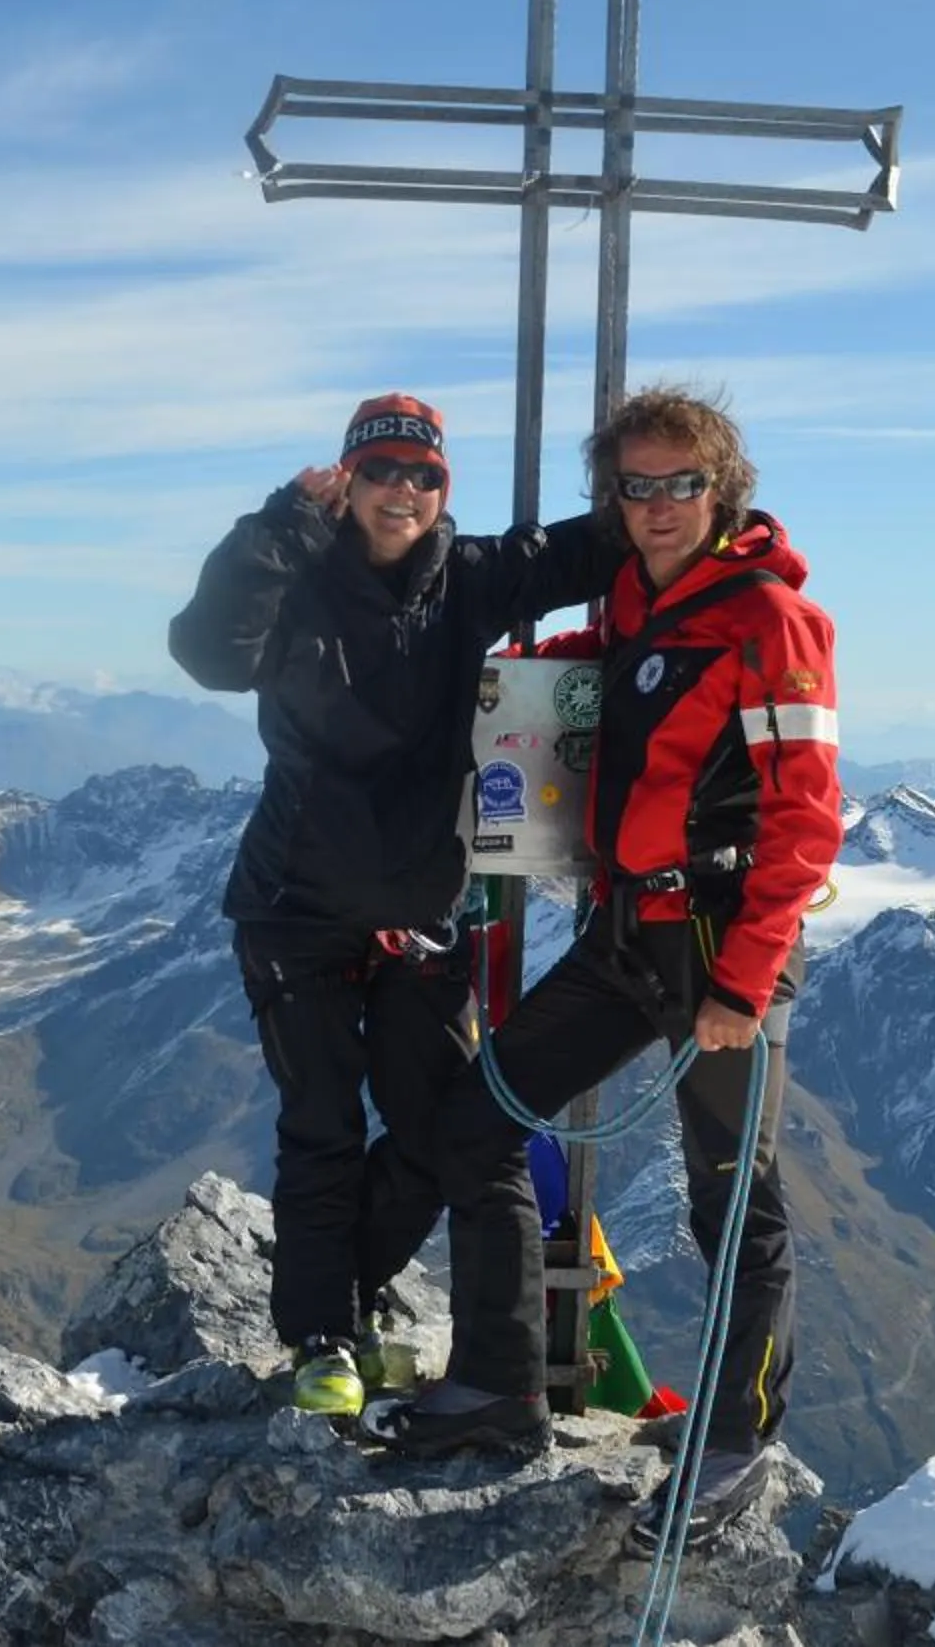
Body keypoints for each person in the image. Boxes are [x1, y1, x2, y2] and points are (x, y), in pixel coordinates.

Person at [370, 383, 841, 1557]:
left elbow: (805, 819)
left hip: (718, 944)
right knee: (484, 1117)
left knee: (733, 1203)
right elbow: (621, 673)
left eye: (682, 482)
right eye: (636, 484)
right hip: (630, 935)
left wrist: (744, 982)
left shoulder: (772, 621)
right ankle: (501, 1383)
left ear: (721, 488)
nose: (659, 503)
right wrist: (517, 665)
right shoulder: (640, 596)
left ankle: (735, 1441)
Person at [169, 391, 619, 1419]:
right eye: (382, 471)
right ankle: (324, 1335)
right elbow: (206, 650)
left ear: (440, 488)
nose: (403, 490)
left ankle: (351, 1295)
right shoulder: (294, 575)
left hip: (422, 915)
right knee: (321, 1123)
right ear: (348, 481)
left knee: (436, 1128)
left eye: (424, 474)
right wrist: (281, 521)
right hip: (297, 912)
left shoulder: (468, 578)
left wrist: (686, 494)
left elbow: (585, 552)